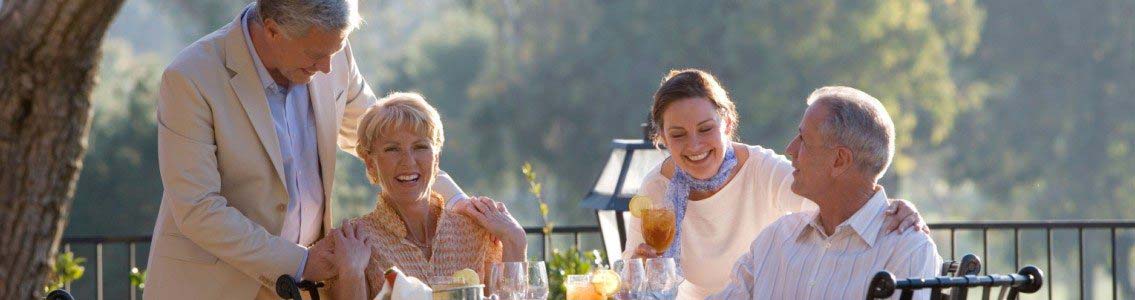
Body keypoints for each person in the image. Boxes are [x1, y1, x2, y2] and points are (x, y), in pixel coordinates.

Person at [144, 1, 469, 299]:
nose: (328, 67)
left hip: (306, 289)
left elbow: (390, 139)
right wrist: (301, 261)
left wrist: (462, 205)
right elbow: (197, 208)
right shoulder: (190, 76)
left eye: (335, 51)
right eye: (315, 56)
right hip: (214, 288)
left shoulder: (331, 51)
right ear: (272, 30)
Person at [623, 69, 928, 299]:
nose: (790, 150)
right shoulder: (776, 240)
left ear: (727, 124)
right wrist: (641, 277)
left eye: (705, 129)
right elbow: (632, 276)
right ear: (662, 138)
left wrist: (892, 207)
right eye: (677, 134)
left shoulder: (902, 246)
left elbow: (848, 193)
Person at [708, 86, 942, 299]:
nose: (791, 150)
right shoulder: (776, 238)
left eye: (804, 140)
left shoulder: (907, 249)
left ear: (840, 160)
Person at [323, 92, 528, 299]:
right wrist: (352, 274)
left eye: (420, 147)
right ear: (370, 163)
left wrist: (514, 239)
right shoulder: (356, 242)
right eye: (392, 149)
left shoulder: (474, 233)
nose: (408, 161)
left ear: (436, 158)